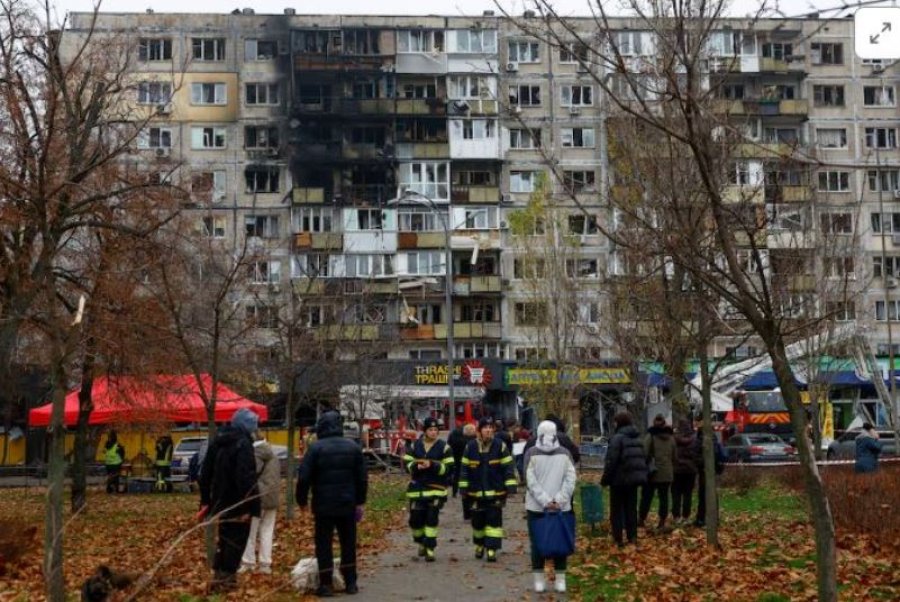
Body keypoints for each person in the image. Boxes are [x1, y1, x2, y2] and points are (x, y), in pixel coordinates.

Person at [296, 410, 368, 597]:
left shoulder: (316, 448)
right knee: (348, 542)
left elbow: (303, 478)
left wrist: (301, 500)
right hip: (347, 502)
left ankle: (326, 583)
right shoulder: (353, 447)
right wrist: (360, 501)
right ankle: (351, 582)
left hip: (323, 504)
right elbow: (362, 478)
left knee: (324, 543)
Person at [199, 408, 261, 593]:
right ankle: (227, 579)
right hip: (239, 502)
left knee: (224, 539)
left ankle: (219, 576)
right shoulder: (243, 444)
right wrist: (253, 506)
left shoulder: (218, 442)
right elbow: (246, 478)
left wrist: (206, 501)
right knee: (236, 541)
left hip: (220, 502)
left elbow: (205, 474)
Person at [524, 421, 577, 593]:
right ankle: (560, 579)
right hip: (562, 507)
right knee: (561, 541)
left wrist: (545, 501)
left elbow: (529, 481)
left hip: (536, 507)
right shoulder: (565, 453)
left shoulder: (531, 453)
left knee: (536, 543)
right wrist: (558, 501)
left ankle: (539, 580)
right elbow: (571, 479)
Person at [459, 416, 517, 562]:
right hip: (475, 492)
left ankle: (492, 549)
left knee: (494, 521)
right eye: (486, 427)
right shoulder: (470, 446)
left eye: (491, 428)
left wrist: (510, 486)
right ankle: (479, 545)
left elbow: (508, 467)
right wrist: (463, 487)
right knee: (478, 523)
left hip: (496, 491)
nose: (489, 430)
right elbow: (464, 468)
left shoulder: (500, 445)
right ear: (479, 430)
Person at [403, 417, 454, 561]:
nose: (433, 432)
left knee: (431, 519)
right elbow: (407, 461)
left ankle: (430, 548)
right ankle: (421, 542)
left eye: (436, 430)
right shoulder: (415, 446)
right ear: (424, 431)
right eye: (430, 430)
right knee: (415, 520)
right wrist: (415, 466)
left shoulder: (444, 447)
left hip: (436, 489)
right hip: (417, 489)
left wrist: (433, 465)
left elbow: (449, 468)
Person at [600, 411, 648, 548]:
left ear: (618, 423)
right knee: (631, 509)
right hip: (633, 480)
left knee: (616, 510)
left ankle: (618, 538)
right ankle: (632, 537)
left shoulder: (617, 438)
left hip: (618, 480)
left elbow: (611, 460)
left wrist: (605, 479)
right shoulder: (637, 438)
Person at [240, 432, 280, 574]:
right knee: (267, 531)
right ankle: (265, 563)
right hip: (272, 497)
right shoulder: (272, 453)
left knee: (251, 531)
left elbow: (249, 474)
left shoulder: (256, 454)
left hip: (258, 497)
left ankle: (248, 562)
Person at [639, 414, 676, 530]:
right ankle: (662, 521)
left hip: (652, 472)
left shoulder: (650, 436)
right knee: (664, 498)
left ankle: (641, 519)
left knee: (646, 497)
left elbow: (644, 453)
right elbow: (675, 456)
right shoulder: (671, 437)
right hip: (667, 473)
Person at [694, 425, 726, 528]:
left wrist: (701, 464)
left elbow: (695, 455)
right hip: (712, 470)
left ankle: (701, 519)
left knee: (703, 496)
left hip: (704, 470)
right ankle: (714, 519)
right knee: (712, 495)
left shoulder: (699, 441)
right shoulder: (715, 440)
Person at [671, 420, 699, 525]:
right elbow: (696, 454)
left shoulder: (674, 439)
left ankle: (676, 515)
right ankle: (686, 516)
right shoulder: (694, 439)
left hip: (677, 470)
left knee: (676, 493)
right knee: (688, 494)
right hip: (690, 470)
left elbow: (671, 454)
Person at [447, 422, 476, 498]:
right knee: (468, 475)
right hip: (467, 459)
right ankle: (466, 491)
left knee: (456, 475)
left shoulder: (453, 433)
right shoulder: (471, 437)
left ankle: (454, 492)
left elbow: (449, 444)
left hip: (456, 457)